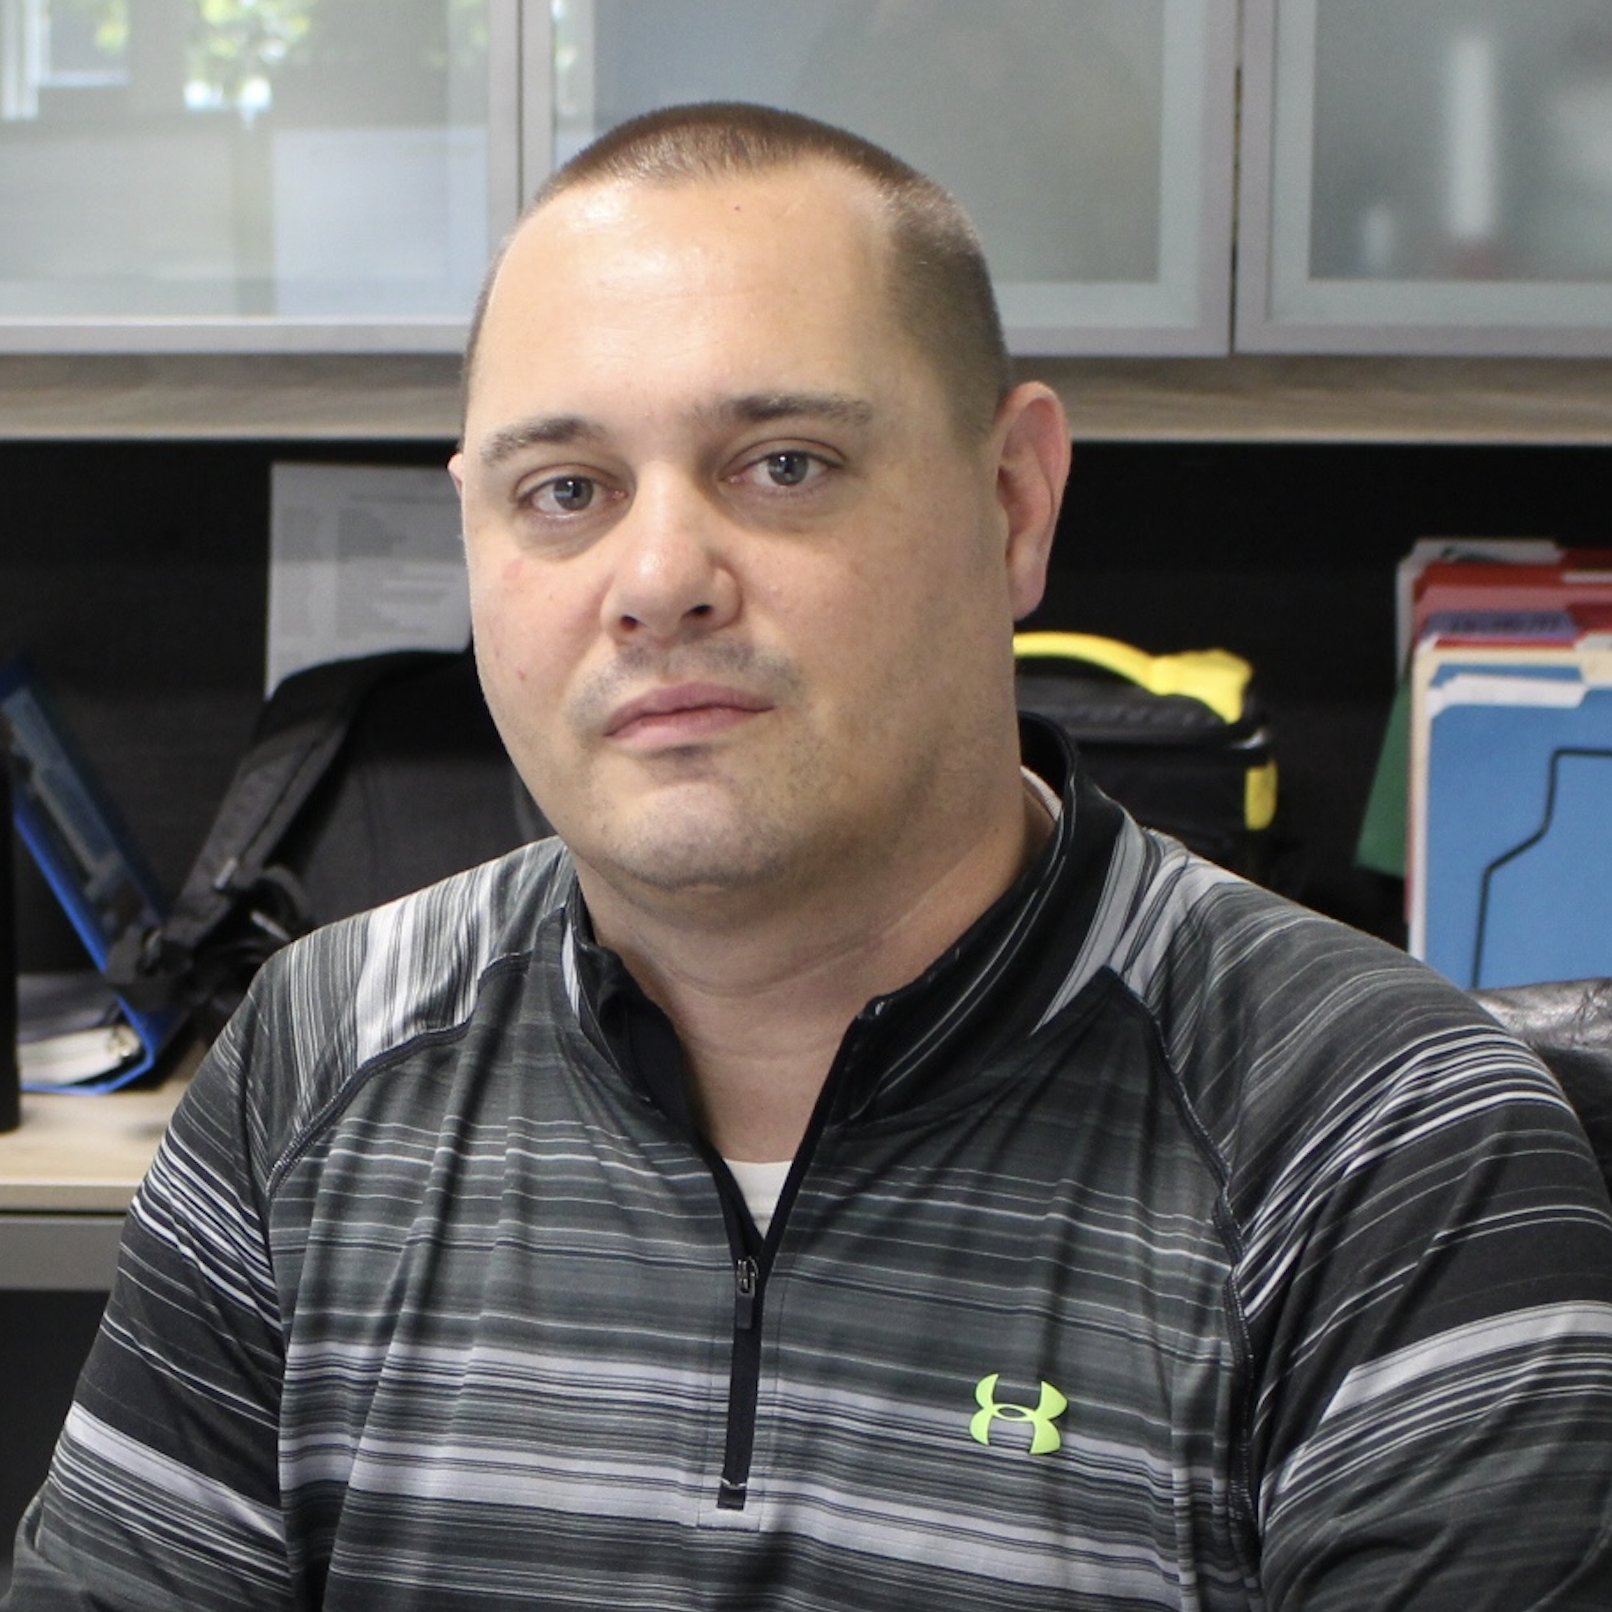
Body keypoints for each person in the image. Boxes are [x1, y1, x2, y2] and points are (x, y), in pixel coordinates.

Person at [7, 102, 1612, 1612]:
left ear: (1010, 500)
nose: (657, 580)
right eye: (563, 490)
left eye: (782, 463)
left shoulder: (1385, 1142)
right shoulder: (315, 1054)